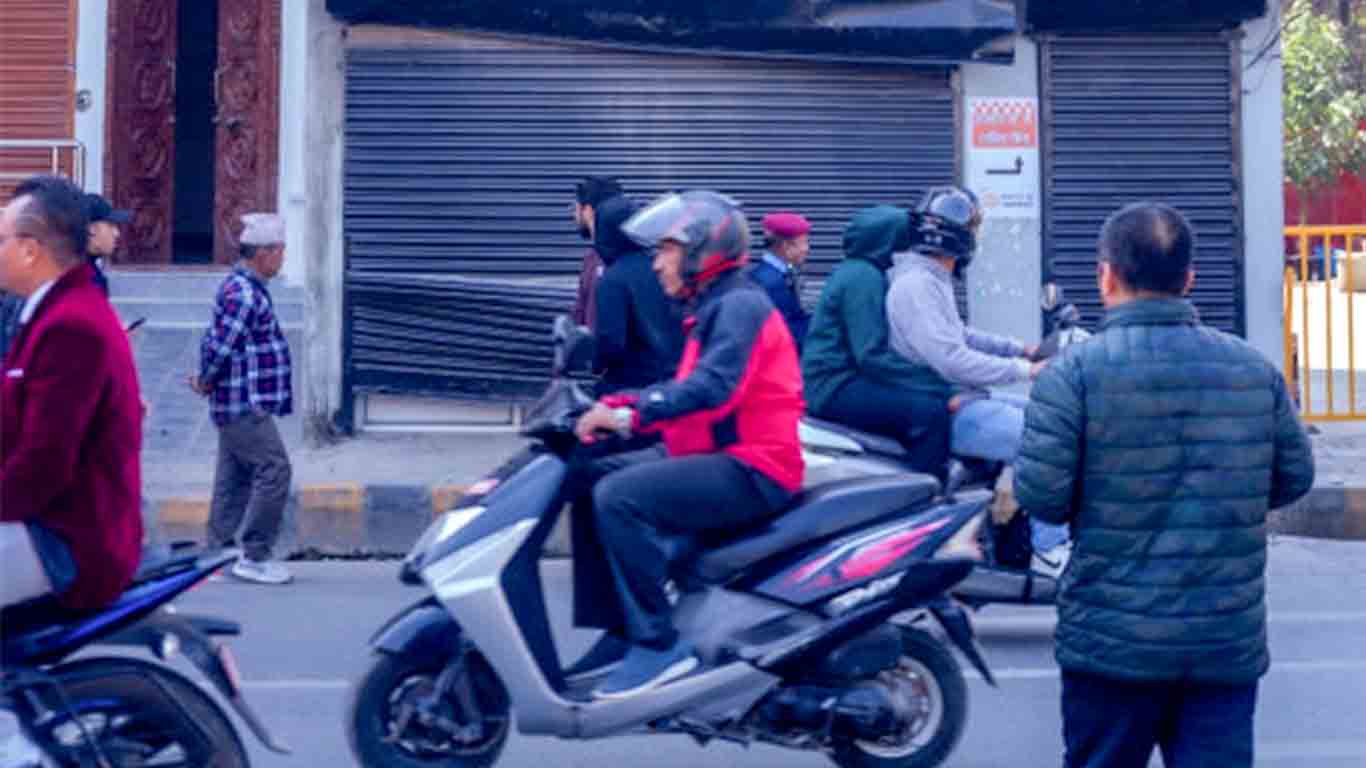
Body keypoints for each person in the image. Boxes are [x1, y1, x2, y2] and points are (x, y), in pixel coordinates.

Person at [1014, 202, 1315, 768]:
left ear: (1105, 277)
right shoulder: (1253, 370)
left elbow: (1042, 498)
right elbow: (1294, 476)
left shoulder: (1072, 376)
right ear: (1189, 279)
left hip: (1110, 646)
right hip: (1221, 643)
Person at [570, 190, 804, 699]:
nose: (656, 263)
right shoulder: (713, 306)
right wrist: (616, 405)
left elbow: (712, 388)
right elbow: (683, 387)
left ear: (704, 252)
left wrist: (629, 414)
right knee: (586, 476)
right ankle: (622, 626)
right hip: (710, 452)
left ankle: (657, 645)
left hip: (752, 465)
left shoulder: (739, 306)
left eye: (667, 250)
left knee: (619, 497)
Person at [884, 186, 1067, 574]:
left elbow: (960, 335)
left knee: (1048, 416)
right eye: (973, 227)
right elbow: (951, 359)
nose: (977, 236)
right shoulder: (916, 285)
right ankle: (1049, 549)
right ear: (955, 234)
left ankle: (1018, 538)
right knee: (1045, 441)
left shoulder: (931, 277)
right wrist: (1026, 371)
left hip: (961, 398)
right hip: (947, 406)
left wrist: (1024, 349)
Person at [0, 174, 144, 615]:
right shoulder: (50, 311)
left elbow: (45, 461)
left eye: (2, 240)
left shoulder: (71, 326)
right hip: (41, 525)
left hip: (67, 543)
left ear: (30, 250)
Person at [801, 204, 950, 476]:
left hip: (835, 381)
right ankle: (924, 489)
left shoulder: (858, 270)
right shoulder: (863, 278)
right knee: (931, 412)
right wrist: (939, 385)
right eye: (904, 239)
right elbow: (871, 356)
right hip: (834, 386)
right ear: (887, 240)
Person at [189, 213, 294, 585]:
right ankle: (255, 555)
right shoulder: (245, 295)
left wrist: (207, 381)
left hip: (236, 400)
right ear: (263, 253)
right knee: (275, 469)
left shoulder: (244, 288)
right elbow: (221, 346)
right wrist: (205, 380)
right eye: (280, 251)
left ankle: (216, 555)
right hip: (243, 402)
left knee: (233, 477)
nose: (283, 258)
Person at [590, 193, 684, 395]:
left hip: (629, 389)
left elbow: (611, 342)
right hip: (673, 383)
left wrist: (596, 365)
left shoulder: (612, 279)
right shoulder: (662, 268)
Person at [748, 211, 812, 350]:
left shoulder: (771, 274)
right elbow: (787, 331)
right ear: (787, 246)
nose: (807, 249)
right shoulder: (772, 283)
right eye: (804, 243)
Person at [571, 176, 624, 329]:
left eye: (576, 208)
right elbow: (580, 314)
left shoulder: (620, 259)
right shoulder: (591, 258)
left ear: (587, 211)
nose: (574, 216)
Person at [82, 192, 131, 296]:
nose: (117, 233)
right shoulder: (80, 280)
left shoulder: (90, 272)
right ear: (92, 229)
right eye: (111, 225)